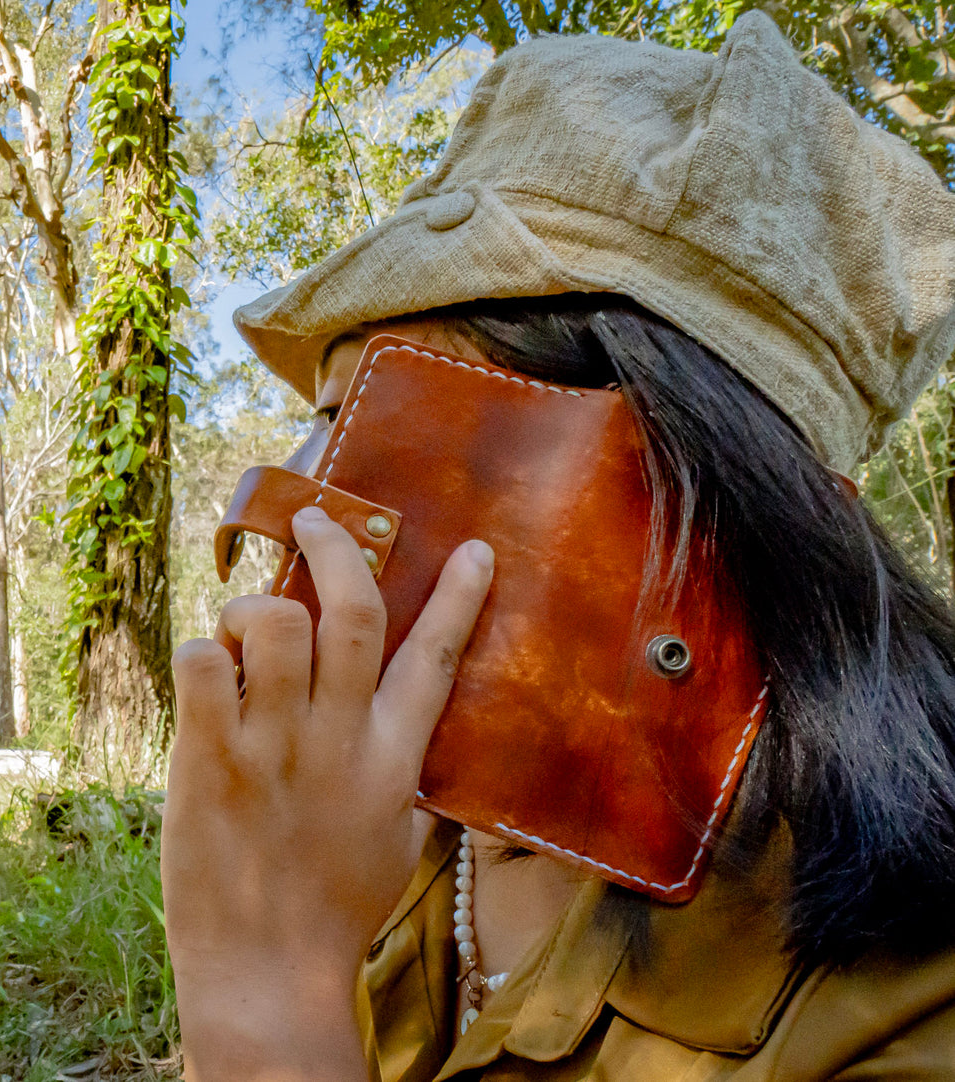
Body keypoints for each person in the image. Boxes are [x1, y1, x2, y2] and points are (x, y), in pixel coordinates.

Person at [161, 11, 955, 1082]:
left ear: (673, 484)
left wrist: (269, 1003)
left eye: (374, 423)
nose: (292, 500)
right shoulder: (381, 847)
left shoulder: (906, 1007)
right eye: (317, 422)